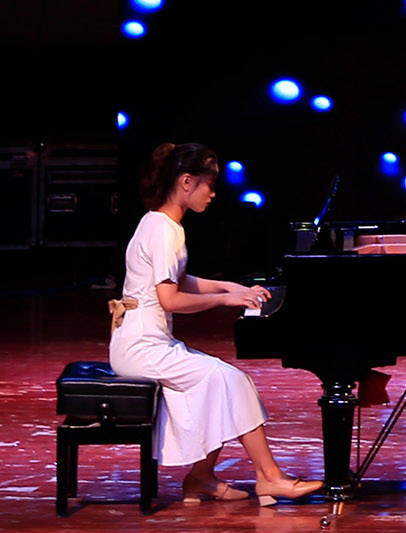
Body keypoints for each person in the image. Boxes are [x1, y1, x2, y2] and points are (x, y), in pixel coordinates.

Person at [109, 142, 323, 506]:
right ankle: (269, 477)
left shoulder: (160, 223)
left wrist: (229, 286)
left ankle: (202, 478)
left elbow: (178, 279)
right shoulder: (164, 230)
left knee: (222, 382)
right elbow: (171, 299)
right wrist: (225, 300)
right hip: (142, 348)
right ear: (187, 181)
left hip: (146, 341)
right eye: (209, 184)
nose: (212, 193)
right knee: (229, 379)